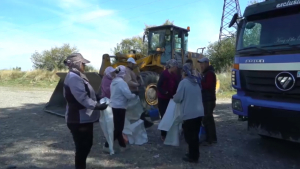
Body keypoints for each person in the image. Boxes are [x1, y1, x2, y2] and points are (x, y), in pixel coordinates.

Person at [63, 53, 108, 169]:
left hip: (83, 119)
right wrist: (97, 106)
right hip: (78, 120)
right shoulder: (74, 78)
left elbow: (86, 93)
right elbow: (82, 98)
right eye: (83, 64)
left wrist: (96, 96)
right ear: (77, 64)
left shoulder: (77, 76)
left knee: (86, 145)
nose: (84, 66)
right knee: (82, 148)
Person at [173, 63, 204, 163]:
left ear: (184, 72)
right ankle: (194, 154)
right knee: (195, 135)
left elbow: (178, 98)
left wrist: (174, 97)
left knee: (190, 136)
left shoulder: (184, 82)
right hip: (199, 113)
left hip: (190, 114)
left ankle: (193, 157)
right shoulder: (196, 81)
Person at [104, 65, 136, 152]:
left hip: (113, 106)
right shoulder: (122, 83)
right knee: (118, 129)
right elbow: (128, 95)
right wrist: (135, 94)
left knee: (118, 127)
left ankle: (123, 146)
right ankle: (107, 145)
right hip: (120, 107)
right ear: (123, 73)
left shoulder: (113, 82)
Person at [157, 59, 180, 141]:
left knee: (171, 115)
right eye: (175, 66)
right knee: (164, 116)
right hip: (163, 98)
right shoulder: (164, 74)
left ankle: (170, 133)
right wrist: (165, 92)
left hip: (171, 98)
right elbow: (159, 86)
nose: (176, 68)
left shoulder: (174, 75)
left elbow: (176, 85)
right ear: (172, 66)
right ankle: (163, 134)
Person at [198, 57, 217, 146]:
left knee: (207, 119)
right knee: (208, 119)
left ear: (206, 63)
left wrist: (200, 82)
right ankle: (211, 138)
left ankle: (211, 139)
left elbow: (208, 86)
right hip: (207, 99)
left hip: (209, 99)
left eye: (202, 64)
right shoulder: (206, 73)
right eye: (200, 64)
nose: (201, 66)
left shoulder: (209, 74)